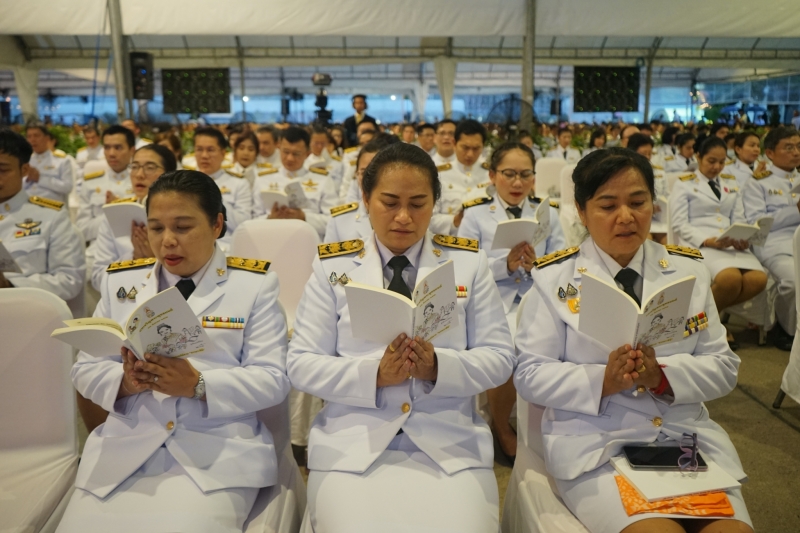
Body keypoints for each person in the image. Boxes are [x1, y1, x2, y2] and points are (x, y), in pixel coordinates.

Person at [514, 147, 753, 533]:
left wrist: (661, 377)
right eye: (608, 206)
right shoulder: (554, 278)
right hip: (597, 446)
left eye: (638, 202)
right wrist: (603, 381)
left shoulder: (686, 270)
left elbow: (724, 367)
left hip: (682, 441)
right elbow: (529, 375)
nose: (626, 217)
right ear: (581, 210)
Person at [287, 142, 514, 532]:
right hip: (353, 441)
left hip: (449, 442)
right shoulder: (333, 266)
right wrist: (373, 375)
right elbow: (301, 363)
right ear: (366, 199)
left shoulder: (466, 263)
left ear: (435, 203)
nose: (404, 217)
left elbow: (499, 357)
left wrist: (437, 366)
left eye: (419, 203)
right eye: (389, 202)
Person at [58, 170, 290, 532]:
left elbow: (273, 379)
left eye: (182, 227)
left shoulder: (252, 285)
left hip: (216, 453)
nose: (167, 241)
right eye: (156, 228)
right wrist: (126, 382)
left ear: (216, 224)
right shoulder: (122, 283)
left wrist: (197, 384)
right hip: (125, 449)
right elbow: (85, 369)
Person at [457, 141, 565, 462]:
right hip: (492, 298)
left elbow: (562, 264)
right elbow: (463, 267)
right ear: (492, 175)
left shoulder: (548, 213)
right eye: (509, 174)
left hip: (538, 296)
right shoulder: (475, 214)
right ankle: (502, 426)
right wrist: (504, 265)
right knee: (506, 343)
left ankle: (549, 425)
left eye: (525, 174)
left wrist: (537, 265)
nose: (517, 182)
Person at [670, 137, 768, 350]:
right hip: (700, 242)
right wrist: (707, 240)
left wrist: (743, 237)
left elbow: (739, 217)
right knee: (730, 279)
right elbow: (679, 223)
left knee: (759, 280)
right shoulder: (684, 183)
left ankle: (710, 322)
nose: (717, 167)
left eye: (722, 162)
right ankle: (708, 327)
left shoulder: (731, 183)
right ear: (699, 157)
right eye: (711, 161)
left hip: (729, 241)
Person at [0, 129, 85, 300]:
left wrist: (11, 285)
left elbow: (69, 280)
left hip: (27, 316)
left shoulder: (51, 217)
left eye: (2, 170)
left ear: (24, 170)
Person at [743, 126, 800, 351]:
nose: (796, 152)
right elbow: (757, 224)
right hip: (774, 242)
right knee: (793, 282)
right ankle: (788, 329)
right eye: (789, 147)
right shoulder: (757, 183)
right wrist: (795, 211)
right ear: (770, 153)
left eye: (798, 146)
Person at [91, 144, 177, 292]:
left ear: (169, 174)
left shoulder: (182, 216)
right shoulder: (116, 213)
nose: (139, 174)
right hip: (125, 297)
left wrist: (157, 259)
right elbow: (98, 277)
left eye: (150, 167)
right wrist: (135, 259)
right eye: (135, 167)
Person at [251, 126, 337, 240]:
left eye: (296, 154)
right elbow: (251, 219)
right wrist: (270, 218)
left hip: (307, 241)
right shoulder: (263, 179)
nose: (290, 158)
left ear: (307, 154)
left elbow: (333, 221)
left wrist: (304, 217)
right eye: (285, 152)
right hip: (271, 239)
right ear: (279, 148)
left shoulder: (323, 180)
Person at [324, 134, 399, 242]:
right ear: (356, 174)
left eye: (377, 172)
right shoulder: (339, 221)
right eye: (364, 172)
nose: (370, 179)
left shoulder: (403, 217)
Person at [75, 125, 136, 250]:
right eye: (107, 148)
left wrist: (118, 212)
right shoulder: (91, 182)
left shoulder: (142, 181)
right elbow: (82, 230)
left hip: (134, 250)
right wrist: (110, 215)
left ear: (132, 150)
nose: (111, 154)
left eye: (118, 147)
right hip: (97, 251)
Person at [192, 127, 252, 251]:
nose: (204, 156)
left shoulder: (239, 183)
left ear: (223, 153)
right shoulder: (183, 184)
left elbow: (243, 224)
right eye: (199, 150)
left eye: (210, 150)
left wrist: (215, 197)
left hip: (226, 248)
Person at [433, 119, 490, 232]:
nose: (470, 154)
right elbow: (429, 219)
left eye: (476, 148)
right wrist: (455, 220)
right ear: (454, 143)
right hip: (448, 243)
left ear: (483, 147)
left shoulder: (491, 174)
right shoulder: (439, 175)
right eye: (465, 147)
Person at [24, 123, 75, 203]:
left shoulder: (62, 161)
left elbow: (67, 187)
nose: (32, 140)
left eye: (36, 136)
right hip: (27, 207)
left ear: (46, 138)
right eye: (29, 137)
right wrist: (27, 179)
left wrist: (40, 178)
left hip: (52, 208)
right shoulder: (25, 161)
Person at [305, 127, 344, 192]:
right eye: (316, 143)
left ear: (327, 143)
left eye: (322, 143)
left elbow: (341, 186)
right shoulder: (303, 163)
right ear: (310, 143)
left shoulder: (338, 164)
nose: (320, 147)